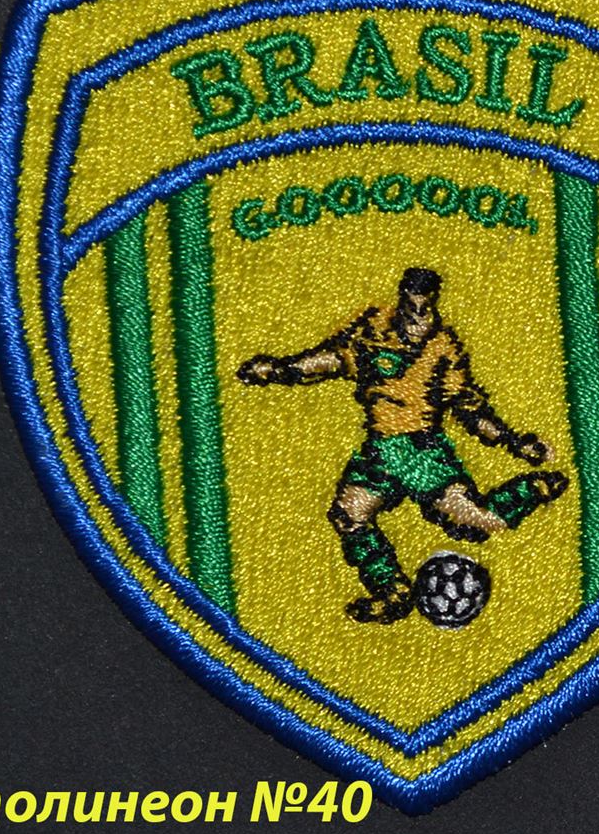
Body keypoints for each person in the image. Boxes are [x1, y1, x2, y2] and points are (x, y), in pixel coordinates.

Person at [238, 267, 569, 622]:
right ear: (401, 300)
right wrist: (280, 369)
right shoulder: (372, 332)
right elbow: (331, 359)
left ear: (433, 304)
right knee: (349, 515)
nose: (416, 317)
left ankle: (532, 490)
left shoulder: (442, 347)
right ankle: (392, 591)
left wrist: (514, 442)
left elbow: (468, 407)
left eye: (424, 309)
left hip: (421, 451)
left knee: (474, 521)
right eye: (410, 307)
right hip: (379, 450)